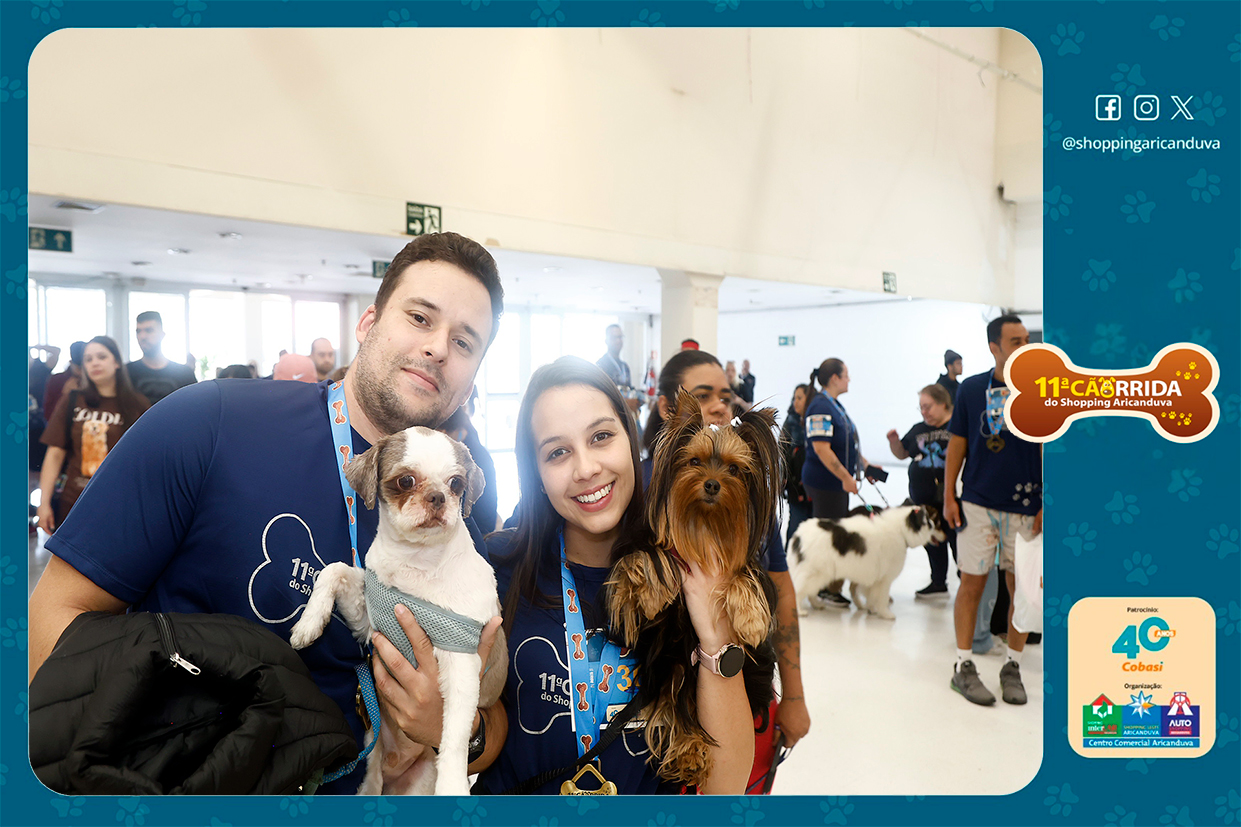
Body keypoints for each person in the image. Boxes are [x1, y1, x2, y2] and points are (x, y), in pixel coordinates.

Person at [29, 232, 507, 794]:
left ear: (473, 378)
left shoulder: (455, 524)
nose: (438, 348)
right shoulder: (209, 423)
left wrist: (455, 731)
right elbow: (52, 617)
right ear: (369, 321)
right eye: (420, 317)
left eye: (464, 342)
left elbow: (492, 717)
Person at [476, 357, 755, 794]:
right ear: (536, 474)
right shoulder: (496, 569)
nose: (586, 468)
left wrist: (716, 638)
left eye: (601, 437)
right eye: (557, 452)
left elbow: (727, 788)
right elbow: (475, 746)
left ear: (632, 441)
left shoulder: (693, 571)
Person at [641, 349, 812, 750]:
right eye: (704, 396)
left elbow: (782, 591)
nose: (719, 405)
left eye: (725, 395)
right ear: (668, 410)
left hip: (740, 685)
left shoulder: (747, 500)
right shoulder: (637, 489)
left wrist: (794, 694)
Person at [943, 315, 1042, 707]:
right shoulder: (971, 389)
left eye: (1027, 339)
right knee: (972, 584)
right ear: (994, 347)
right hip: (978, 502)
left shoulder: (1041, 388)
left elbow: (1049, 447)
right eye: (1016, 341)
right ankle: (963, 664)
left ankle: (1012, 665)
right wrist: (949, 496)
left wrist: (1048, 501)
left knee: (1022, 590)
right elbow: (957, 444)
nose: (1025, 346)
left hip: (1025, 506)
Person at [37, 336, 150, 534]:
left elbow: (145, 460)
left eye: (101, 357)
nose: (94, 363)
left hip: (119, 504)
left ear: (116, 362)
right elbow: (55, 454)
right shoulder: (72, 400)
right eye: (88, 359)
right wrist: (43, 503)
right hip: (74, 501)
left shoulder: (137, 404)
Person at [801, 358, 875, 608]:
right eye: (846, 375)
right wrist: (845, 477)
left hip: (835, 483)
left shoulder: (833, 405)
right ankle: (823, 588)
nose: (849, 379)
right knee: (830, 537)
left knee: (834, 533)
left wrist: (865, 467)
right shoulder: (820, 407)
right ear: (834, 378)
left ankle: (829, 586)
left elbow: (847, 444)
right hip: (826, 483)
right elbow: (821, 449)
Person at [886, 384, 957, 599]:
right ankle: (938, 582)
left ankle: (968, 582)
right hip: (924, 499)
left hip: (952, 498)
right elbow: (902, 453)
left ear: (943, 403)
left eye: (928, 407)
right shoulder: (918, 429)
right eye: (921, 408)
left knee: (957, 540)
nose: (924, 412)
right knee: (932, 541)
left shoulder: (957, 424)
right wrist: (893, 442)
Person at [126, 311, 197, 404]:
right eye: (138, 331)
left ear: (162, 335)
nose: (142, 336)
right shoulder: (126, 372)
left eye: (149, 330)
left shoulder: (184, 373)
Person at [781, 384, 813, 545]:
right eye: (794, 398)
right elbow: (781, 450)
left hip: (814, 486)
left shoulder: (817, 420)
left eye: (799, 398)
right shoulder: (790, 421)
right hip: (794, 485)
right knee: (795, 528)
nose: (796, 402)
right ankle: (789, 558)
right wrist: (782, 477)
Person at [595, 323, 641, 415]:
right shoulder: (601, 365)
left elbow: (629, 389)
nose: (618, 341)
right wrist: (624, 403)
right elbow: (600, 395)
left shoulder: (625, 366)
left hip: (625, 414)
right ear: (606, 340)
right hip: (609, 414)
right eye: (614, 337)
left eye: (620, 337)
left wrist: (638, 400)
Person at [43, 341, 86, 419]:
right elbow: (48, 414)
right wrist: (64, 396)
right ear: (71, 363)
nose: (81, 371)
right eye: (79, 367)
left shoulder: (95, 380)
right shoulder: (57, 380)